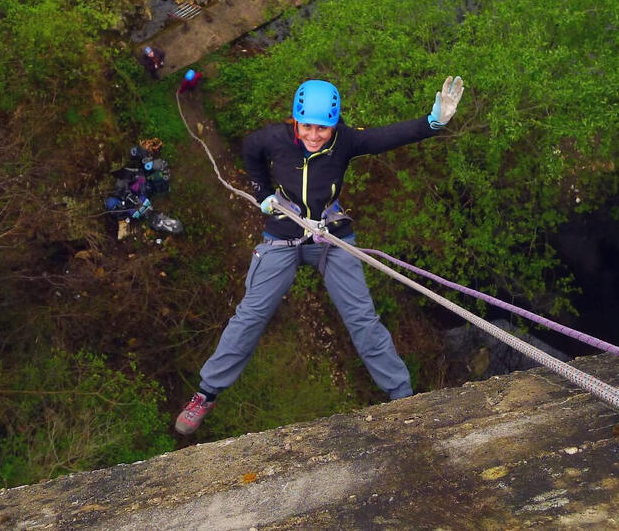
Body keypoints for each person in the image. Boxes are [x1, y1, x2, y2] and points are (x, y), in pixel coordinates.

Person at [175, 76, 466, 435]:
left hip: (330, 235)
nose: (314, 135)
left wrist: (431, 122)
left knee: (362, 318)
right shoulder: (272, 139)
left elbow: (386, 137)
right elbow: (250, 152)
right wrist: (262, 191)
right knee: (250, 315)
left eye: (323, 129)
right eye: (308, 126)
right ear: (295, 120)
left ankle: (402, 395)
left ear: (335, 125)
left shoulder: (346, 142)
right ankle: (206, 393)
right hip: (282, 233)